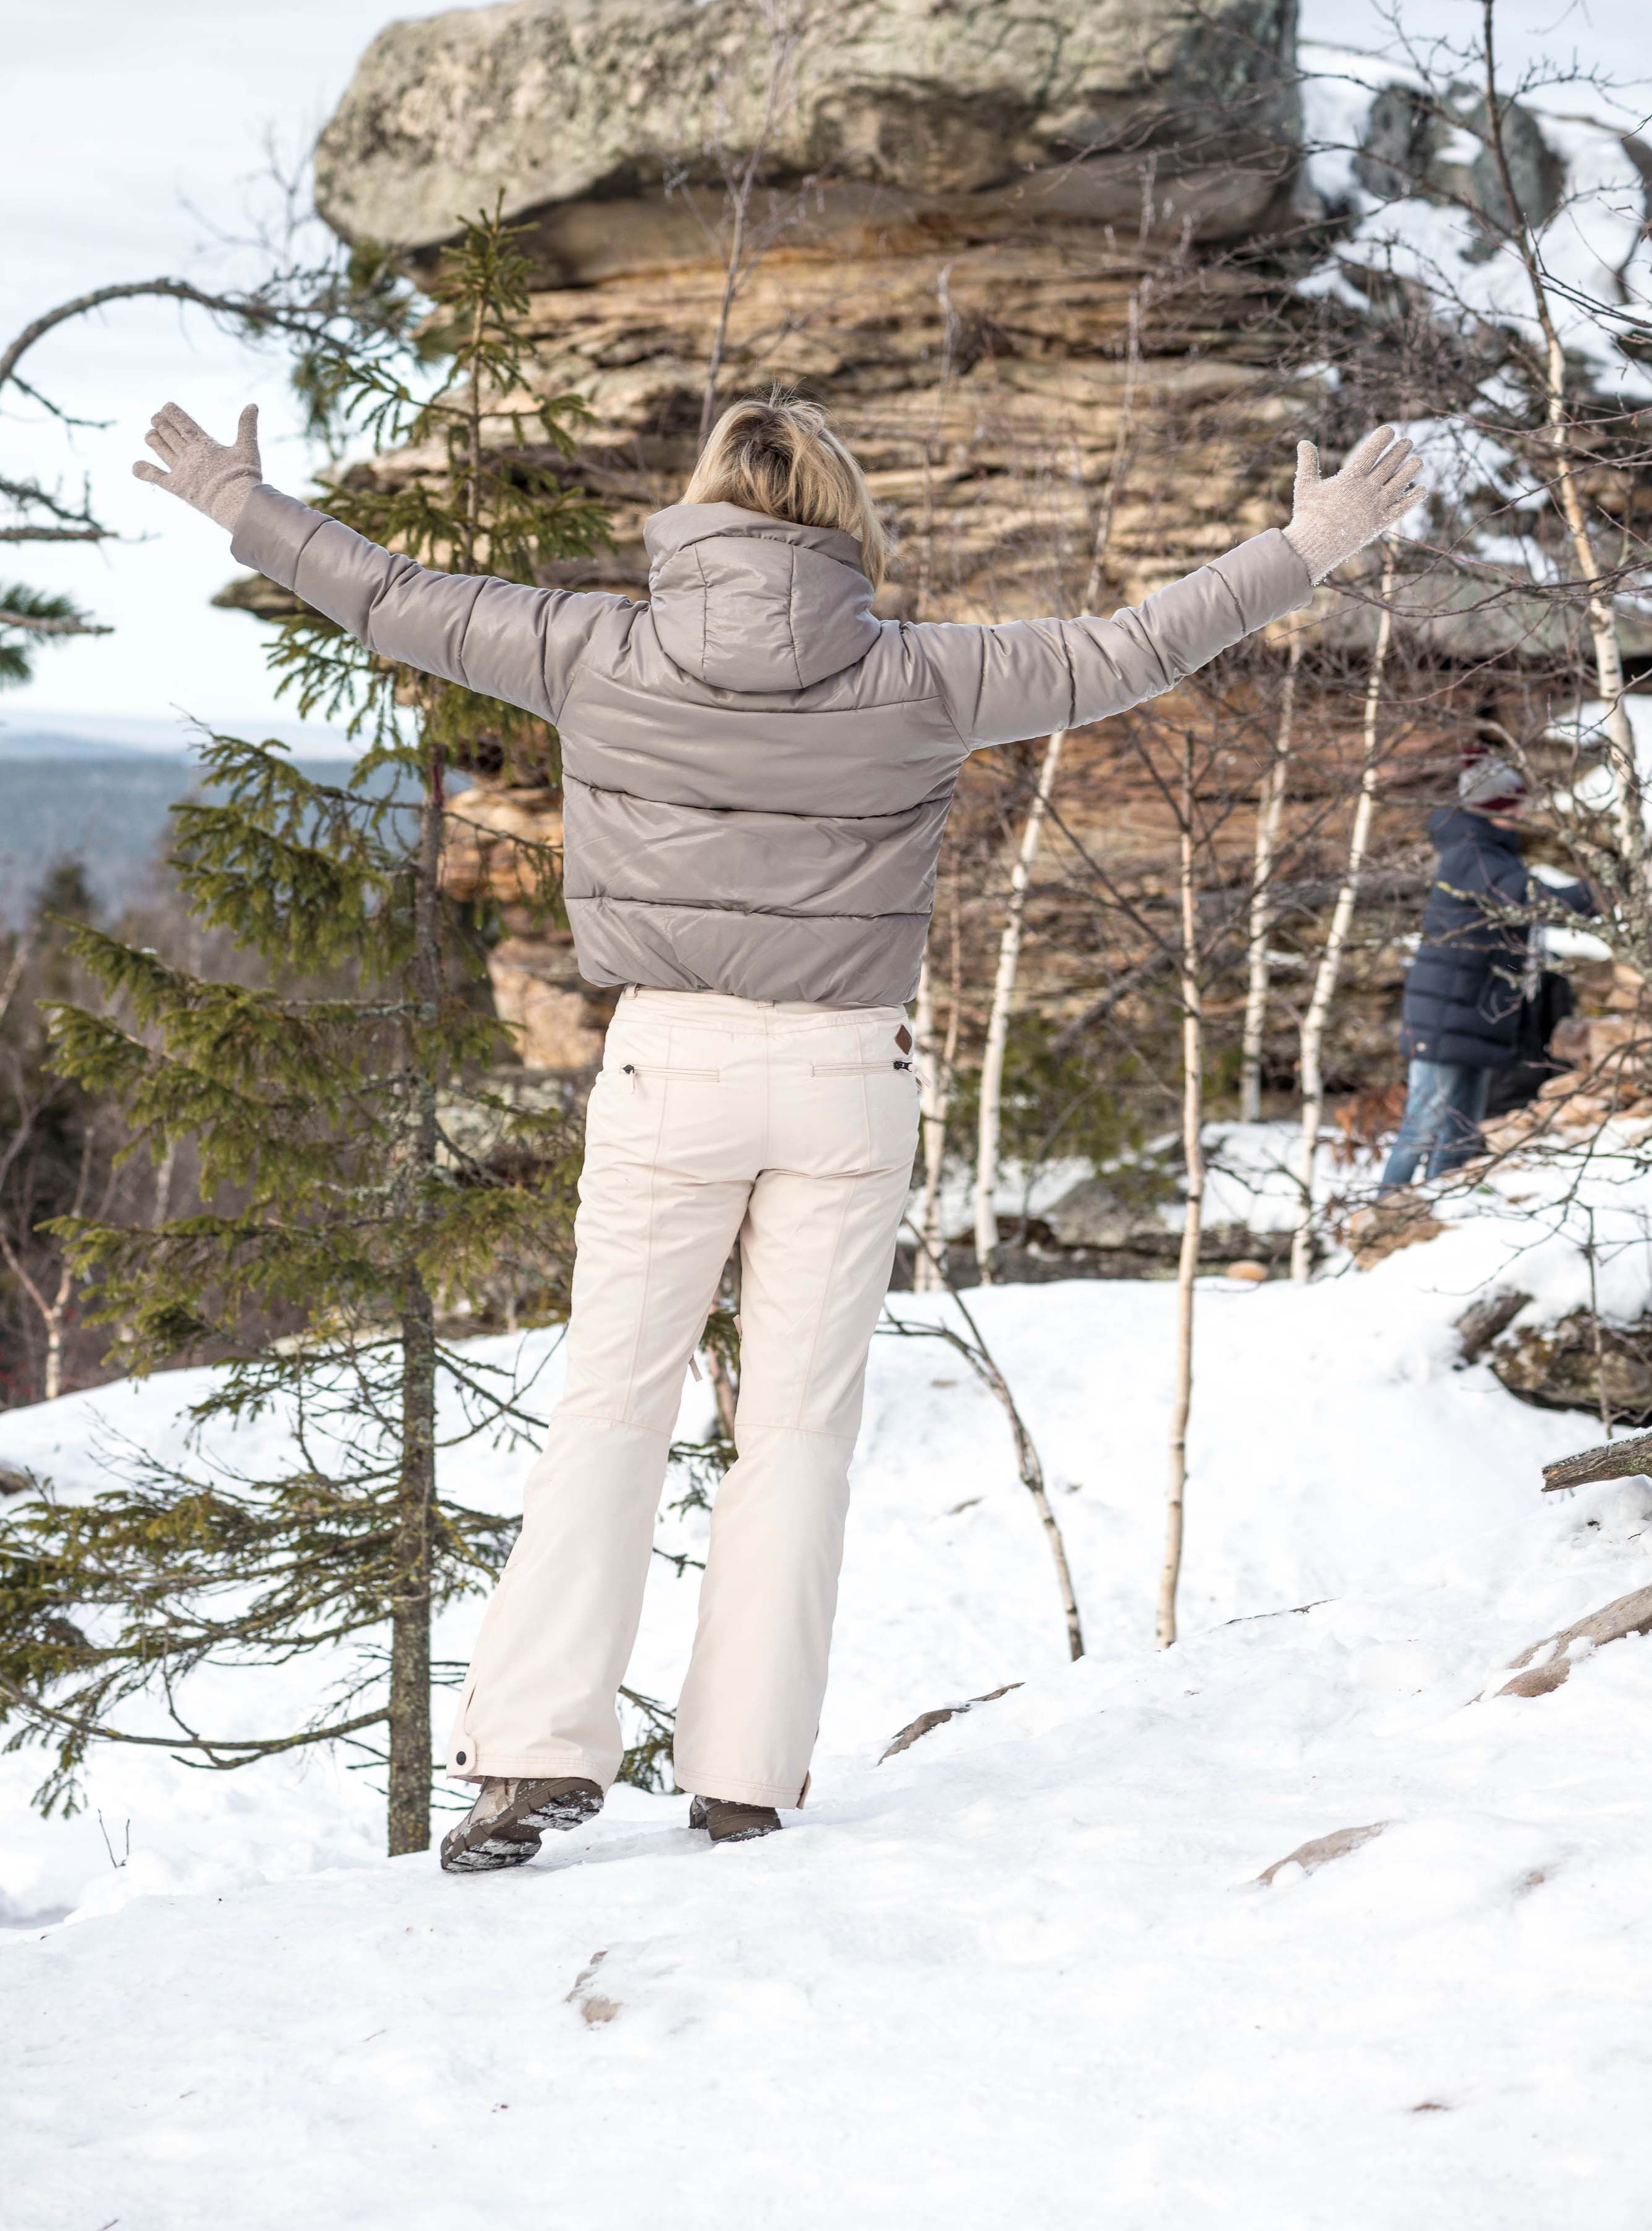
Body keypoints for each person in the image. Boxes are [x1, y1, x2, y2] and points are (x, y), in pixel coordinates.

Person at [135, 396, 1424, 1868]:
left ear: (700, 509)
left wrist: (240, 500)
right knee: (796, 1429)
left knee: (612, 1405)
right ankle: (745, 1772)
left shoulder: (589, 646)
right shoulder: (920, 674)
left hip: (669, 1063)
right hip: (843, 1073)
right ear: (842, 519)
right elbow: (1130, 648)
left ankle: (530, 1759)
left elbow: (387, 596)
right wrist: (1303, 546)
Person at [1380, 752, 1593, 1187]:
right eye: (1513, 802)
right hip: (1447, 1016)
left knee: (1461, 1132)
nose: (1522, 810)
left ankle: (1441, 1207)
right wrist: (1604, 889)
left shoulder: (1489, 851)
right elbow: (1533, 902)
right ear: (1493, 805)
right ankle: (1385, 1207)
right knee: (1422, 1127)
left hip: (1471, 1014)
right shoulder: (1475, 855)